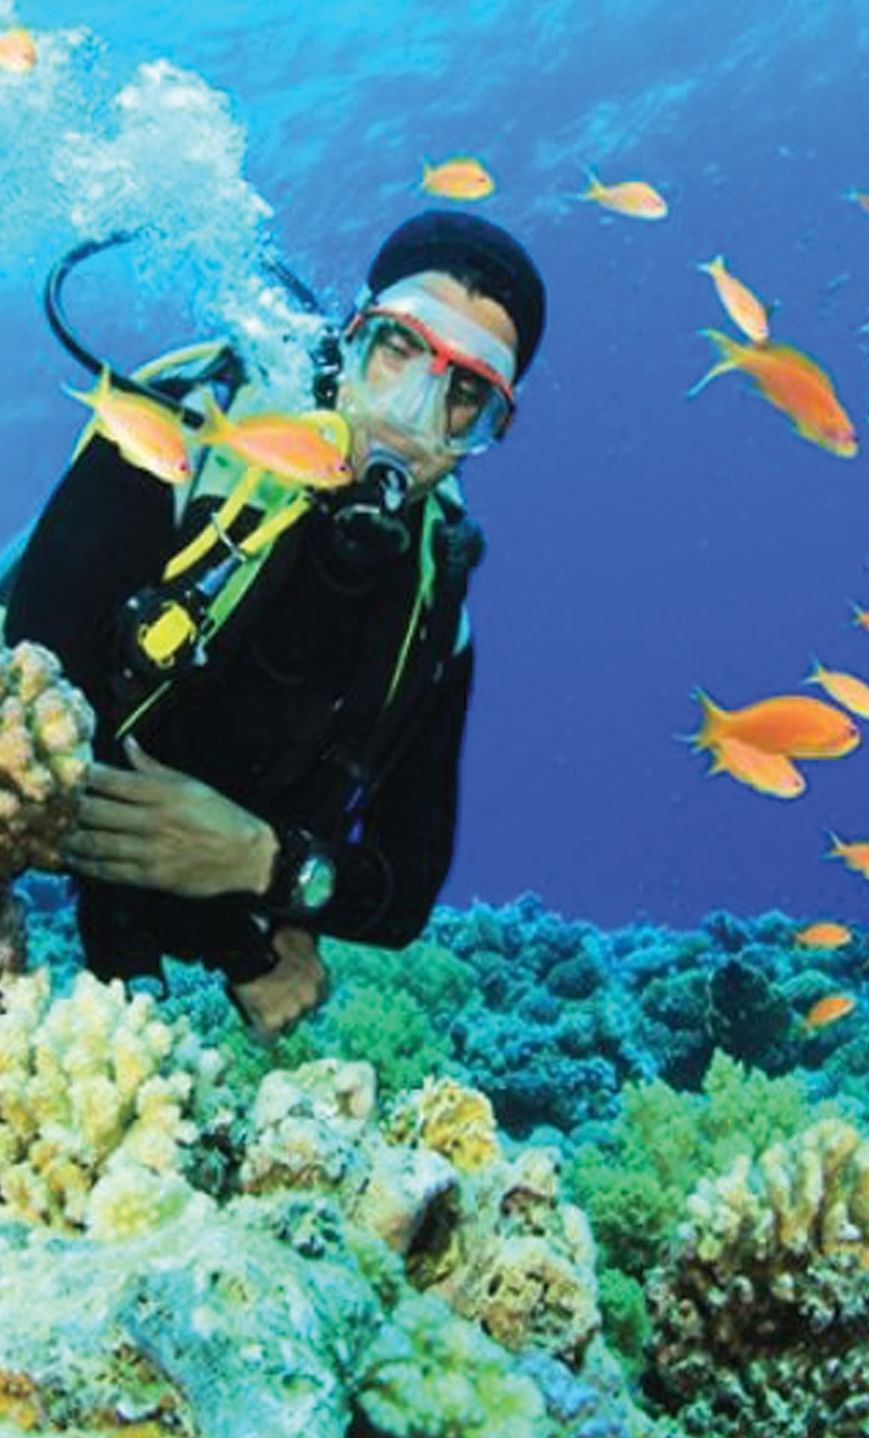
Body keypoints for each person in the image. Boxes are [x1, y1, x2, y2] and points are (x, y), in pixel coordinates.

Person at [3, 209, 546, 1039]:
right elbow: (29, 692)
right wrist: (240, 939)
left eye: (465, 394)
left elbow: (406, 890)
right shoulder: (187, 432)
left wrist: (266, 863)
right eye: (397, 349)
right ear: (349, 336)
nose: (411, 413)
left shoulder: (437, 614)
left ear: (484, 429)